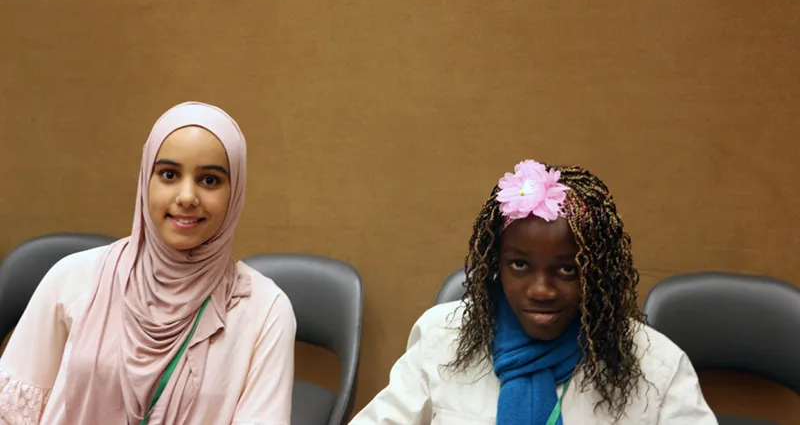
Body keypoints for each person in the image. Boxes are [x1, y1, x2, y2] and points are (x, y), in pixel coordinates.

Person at [349, 159, 718, 424]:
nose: (541, 290)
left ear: (598, 274)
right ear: (496, 265)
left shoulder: (655, 365)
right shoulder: (444, 336)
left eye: (567, 269)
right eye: (520, 265)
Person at [0, 102, 295, 425]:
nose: (186, 196)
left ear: (234, 191)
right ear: (146, 181)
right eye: (169, 174)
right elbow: (13, 415)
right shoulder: (71, 278)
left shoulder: (266, 311)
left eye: (209, 180)